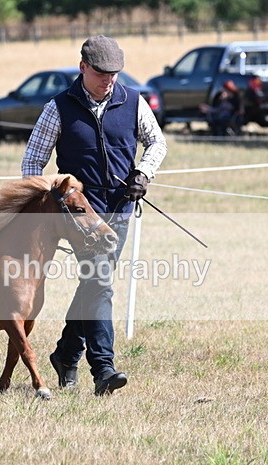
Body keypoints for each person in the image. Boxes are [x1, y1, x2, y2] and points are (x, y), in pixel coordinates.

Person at [21, 35, 167, 395]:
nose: (109, 80)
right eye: (102, 72)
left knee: (92, 285)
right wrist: (54, 199)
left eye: (115, 73)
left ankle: (66, 354)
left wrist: (142, 174)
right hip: (80, 216)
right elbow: (31, 165)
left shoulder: (133, 102)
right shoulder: (57, 108)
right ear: (83, 67)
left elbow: (157, 143)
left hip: (120, 210)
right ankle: (103, 368)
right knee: (100, 282)